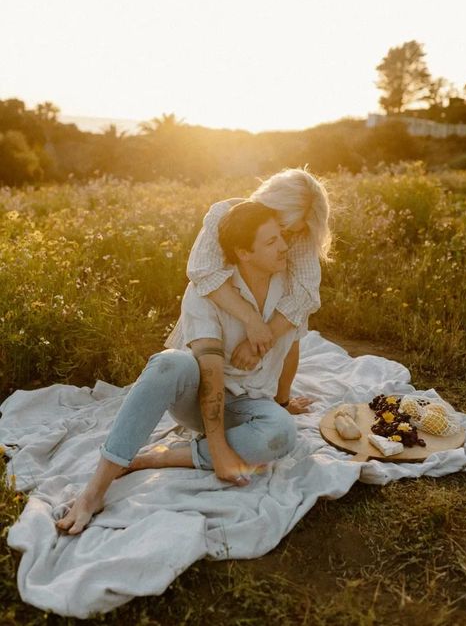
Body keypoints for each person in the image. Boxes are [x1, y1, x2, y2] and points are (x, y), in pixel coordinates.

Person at [56, 201, 315, 535]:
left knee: (281, 434)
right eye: (271, 242)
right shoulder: (207, 291)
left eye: (281, 237)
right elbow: (209, 372)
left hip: (252, 402)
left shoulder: (293, 289)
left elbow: (292, 345)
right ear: (244, 252)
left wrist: (282, 401)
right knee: (170, 362)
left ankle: (154, 458)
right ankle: (95, 490)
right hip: (199, 396)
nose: (284, 247)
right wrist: (219, 450)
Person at [164, 166, 332, 373]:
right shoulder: (223, 214)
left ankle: (281, 397)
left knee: (296, 316)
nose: (286, 239)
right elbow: (203, 272)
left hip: (270, 306)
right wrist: (252, 320)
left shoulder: (299, 229)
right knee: (199, 298)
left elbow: (306, 292)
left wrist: (263, 337)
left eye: (290, 232)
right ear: (268, 202)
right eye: (281, 228)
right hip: (224, 304)